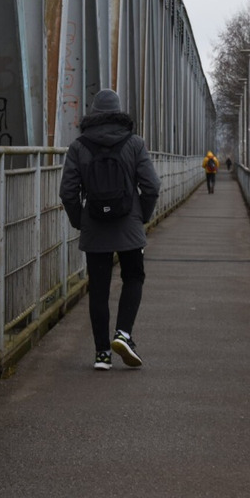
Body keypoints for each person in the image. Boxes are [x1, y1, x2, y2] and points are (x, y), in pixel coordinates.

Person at [60, 89, 160, 371]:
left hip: (95, 226)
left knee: (99, 289)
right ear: (119, 112)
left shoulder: (79, 146)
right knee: (134, 276)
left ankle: (102, 353)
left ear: (92, 114)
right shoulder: (135, 143)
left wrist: (80, 220)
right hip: (129, 224)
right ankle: (124, 334)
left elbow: (68, 192)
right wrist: (142, 216)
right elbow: (152, 186)